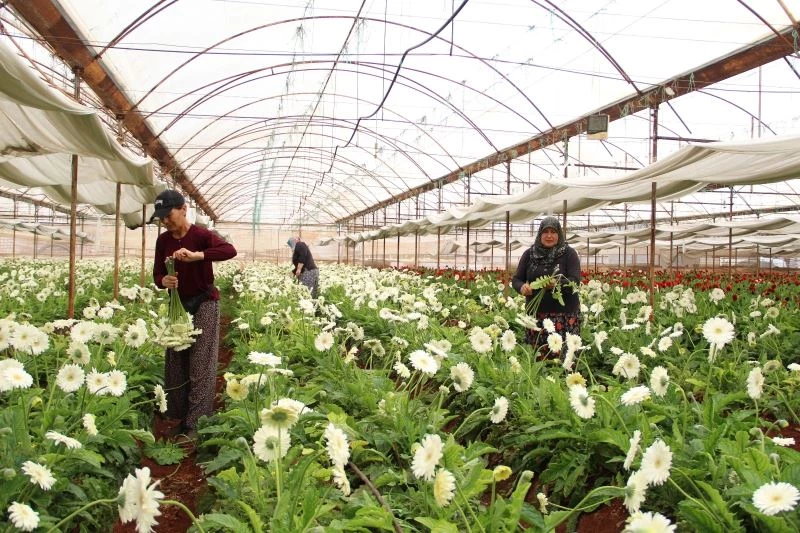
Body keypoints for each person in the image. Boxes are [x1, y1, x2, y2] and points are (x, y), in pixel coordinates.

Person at [151, 190, 237, 440]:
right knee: (176, 363)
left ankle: (196, 423)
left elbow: (229, 250)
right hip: (177, 307)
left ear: (183, 209)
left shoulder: (200, 235)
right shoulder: (163, 241)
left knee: (201, 364)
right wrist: (163, 280)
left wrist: (198, 256)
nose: (165, 221)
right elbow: (157, 274)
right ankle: (177, 414)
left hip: (204, 304)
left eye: (168, 215)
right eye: (161, 217)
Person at [511, 216, 581, 352]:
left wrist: (557, 283)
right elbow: (516, 279)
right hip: (536, 316)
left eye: (553, 232)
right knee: (538, 356)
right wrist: (521, 287)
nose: (549, 236)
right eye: (545, 232)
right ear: (540, 234)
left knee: (563, 357)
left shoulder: (569, 254)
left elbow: (575, 281)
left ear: (559, 234)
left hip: (565, 317)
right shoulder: (530, 254)